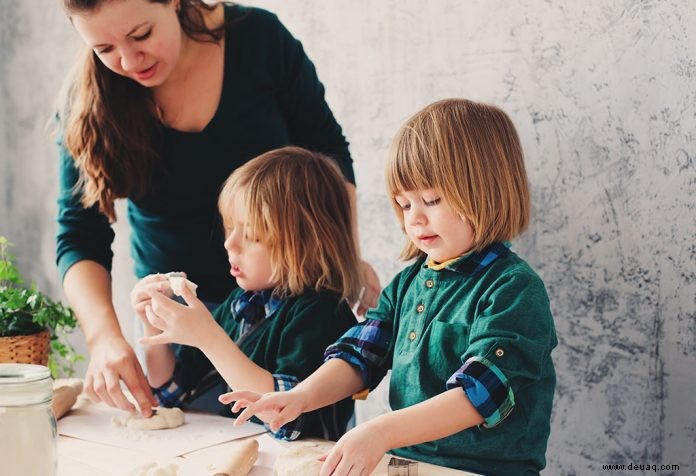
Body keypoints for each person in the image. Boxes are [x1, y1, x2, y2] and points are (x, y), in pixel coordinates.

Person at [55, 0, 380, 417]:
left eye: (141, 35)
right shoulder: (88, 100)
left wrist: (341, 257)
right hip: (184, 317)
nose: (129, 60)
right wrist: (104, 338)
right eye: (104, 49)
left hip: (288, 309)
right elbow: (79, 233)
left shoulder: (260, 39)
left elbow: (328, 156)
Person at [224, 99, 557, 475]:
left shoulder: (513, 291)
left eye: (430, 200)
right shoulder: (408, 283)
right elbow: (360, 357)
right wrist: (300, 397)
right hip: (409, 465)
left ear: (485, 190)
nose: (414, 218)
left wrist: (380, 431)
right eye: (403, 204)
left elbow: (478, 396)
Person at [130, 146, 362, 440]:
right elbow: (172, 395)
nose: (230, 244)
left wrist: (208, 337)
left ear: (308, 242)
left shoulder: (321, 312)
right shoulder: (240, 304)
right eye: (230, 228)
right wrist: (153, 324)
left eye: (252, 235)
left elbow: (285, 421)